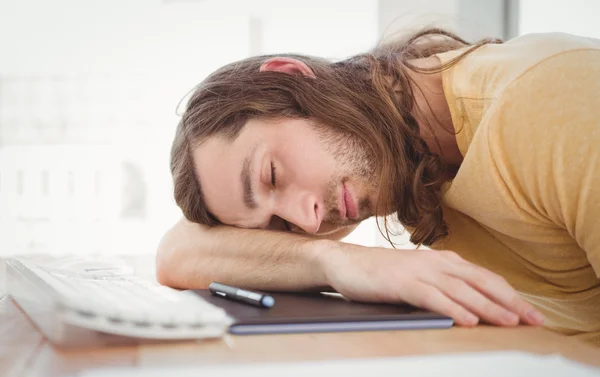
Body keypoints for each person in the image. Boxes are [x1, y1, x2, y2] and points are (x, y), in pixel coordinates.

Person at [157, 28, 600, 345]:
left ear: (289, 76)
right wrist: (337, 261)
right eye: (278, 226)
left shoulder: (546, 102)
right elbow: (178, 251)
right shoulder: (420, 160)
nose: (308, 222)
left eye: (272, 176)